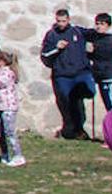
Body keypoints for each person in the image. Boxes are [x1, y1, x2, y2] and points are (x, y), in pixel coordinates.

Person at [41, 8, 96, 140]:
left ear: (68, 20)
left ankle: (76, 127)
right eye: (59, 21)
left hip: (81, 72)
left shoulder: (77, 31)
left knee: (90, 91)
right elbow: (44, 55)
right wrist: (56, 48)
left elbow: (95, 35)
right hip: (63, 75)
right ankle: (75, 130)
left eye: (64, 21)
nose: (61, 24)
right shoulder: (51, 35)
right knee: (68, 102)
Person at [84, 13, 112, 112]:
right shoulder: (96, 38)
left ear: (108, 25)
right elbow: (96, 57)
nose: (99, 26)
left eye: (102, 24)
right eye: (97, 23)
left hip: (110, 77)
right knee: (108, 105)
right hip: (100, 76)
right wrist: (89, 53)